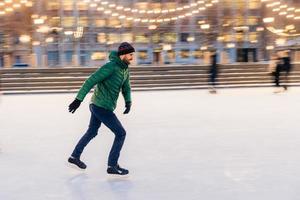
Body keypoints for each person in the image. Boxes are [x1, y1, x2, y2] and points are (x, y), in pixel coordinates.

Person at [67, 42, 135, 176]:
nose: (132, 57)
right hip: (100, 106)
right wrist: (78, 99)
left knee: (92, 131)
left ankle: (74, 157)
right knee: (121, 133)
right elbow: (91, 81)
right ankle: (112, 165)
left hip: (101, 105)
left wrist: (128, 101)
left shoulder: (125, 69)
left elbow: (126, 87)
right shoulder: (110, 67)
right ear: (122, 55)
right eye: (130, 55)